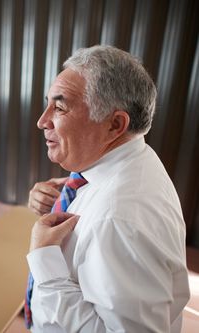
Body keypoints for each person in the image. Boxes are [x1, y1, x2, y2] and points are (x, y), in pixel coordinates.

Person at [25, 45, 189, 332]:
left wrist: (44, 261)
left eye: (60, 107)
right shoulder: (130, 164)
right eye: (47, 103)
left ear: (115, 124)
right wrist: (65, 198)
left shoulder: (119, 217)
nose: (42, 120)